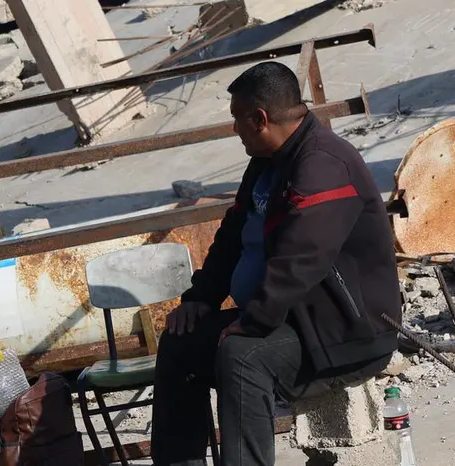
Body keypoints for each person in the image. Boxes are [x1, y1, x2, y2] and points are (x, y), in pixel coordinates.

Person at [150, 61, 403, 466]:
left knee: (242, 355)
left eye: (237, 119)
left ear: (260, 119)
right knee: (183, 341)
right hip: (289, 322)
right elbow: (233, 235)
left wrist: (252, 322)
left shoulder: (323, 164)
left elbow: (302, 260)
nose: (234, 130)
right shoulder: (266, 163)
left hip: (344, 333)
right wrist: (201, 299)